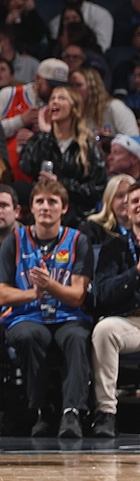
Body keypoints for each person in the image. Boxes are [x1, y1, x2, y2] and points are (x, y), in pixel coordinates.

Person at [0, 178, 95, 438]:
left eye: (52, 202)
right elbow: (1, 294)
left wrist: (50, 285)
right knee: (29, 335)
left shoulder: (78, 241)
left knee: (77, 337)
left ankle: (72, 412)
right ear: (31, 207)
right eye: (39, 201)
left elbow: (77, 296)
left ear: (64, 208)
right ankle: (41, 410)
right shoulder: (14, 240)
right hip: (27, 316)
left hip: (68, 315)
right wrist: (33, 293)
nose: (45, 207)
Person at [90, 181, 140, 437]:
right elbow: (103, 294)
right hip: (131, 322)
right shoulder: (114, 248)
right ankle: (106, 413)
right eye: (135, 201)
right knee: (104, 330)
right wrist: (135, 273)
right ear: (127, 211)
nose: (139, 205)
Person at [17, 85, 107, 225]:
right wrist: (45, 135)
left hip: (79, 220)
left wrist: (60, 183)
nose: (54, 101)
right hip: (43, 218)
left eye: (61, 98)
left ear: (74, 108)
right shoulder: (42, 139)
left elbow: (97, 189)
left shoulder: (88, 146)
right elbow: (26, 166)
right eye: (52, 98)